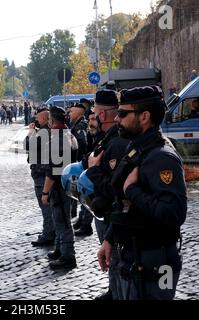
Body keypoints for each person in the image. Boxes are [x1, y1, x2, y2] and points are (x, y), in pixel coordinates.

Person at [97, 86, 187, 300]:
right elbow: (125, 203)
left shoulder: (162, 157)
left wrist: (133, 189)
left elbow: (173, 213)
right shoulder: (137, 149)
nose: (117, 119)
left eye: (122, 113)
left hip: (157, 261)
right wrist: (109, 238)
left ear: (144, 116)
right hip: (133, 255)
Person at [77, 89, 129, 300]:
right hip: (104, 209)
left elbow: (114, 186)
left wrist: (93, 170)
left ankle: (117, 293)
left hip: (111, 210)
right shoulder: (107, 137)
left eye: (95, 112)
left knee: (115, 257)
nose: (92, 117)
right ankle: (113, 290)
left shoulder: (116, 142)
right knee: (112, 256)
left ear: (103, 114)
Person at [41, 106, 78, 270]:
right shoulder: (69, 135)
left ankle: (68, 255)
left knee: (63, 220)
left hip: (59, 186)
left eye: (49, 119)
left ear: (53, 121)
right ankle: (59, 248)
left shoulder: (57, 139)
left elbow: (52, 171)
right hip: (67, 183)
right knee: (60, 219)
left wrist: (45, 192)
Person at [24, 107, 55, 247]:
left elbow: (28, 145)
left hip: (41, 174)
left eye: (37, 118)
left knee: (45, 207)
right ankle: (50, 232)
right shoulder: (47, 131)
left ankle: (48, 234)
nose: (35, 120)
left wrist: (30, 132)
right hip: (43, 173)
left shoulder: (43, 132)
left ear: (43, 118)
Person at [67, 103, 89, 232]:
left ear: (79, 114)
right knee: (78, 193)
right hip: (78, 163)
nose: (69, 113)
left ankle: (85, 223)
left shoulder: (80, 126)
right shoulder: (75, 124)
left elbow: (81, 143)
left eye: (72, 112)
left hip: (80, 163)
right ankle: (81, 219)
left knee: (83, 194)